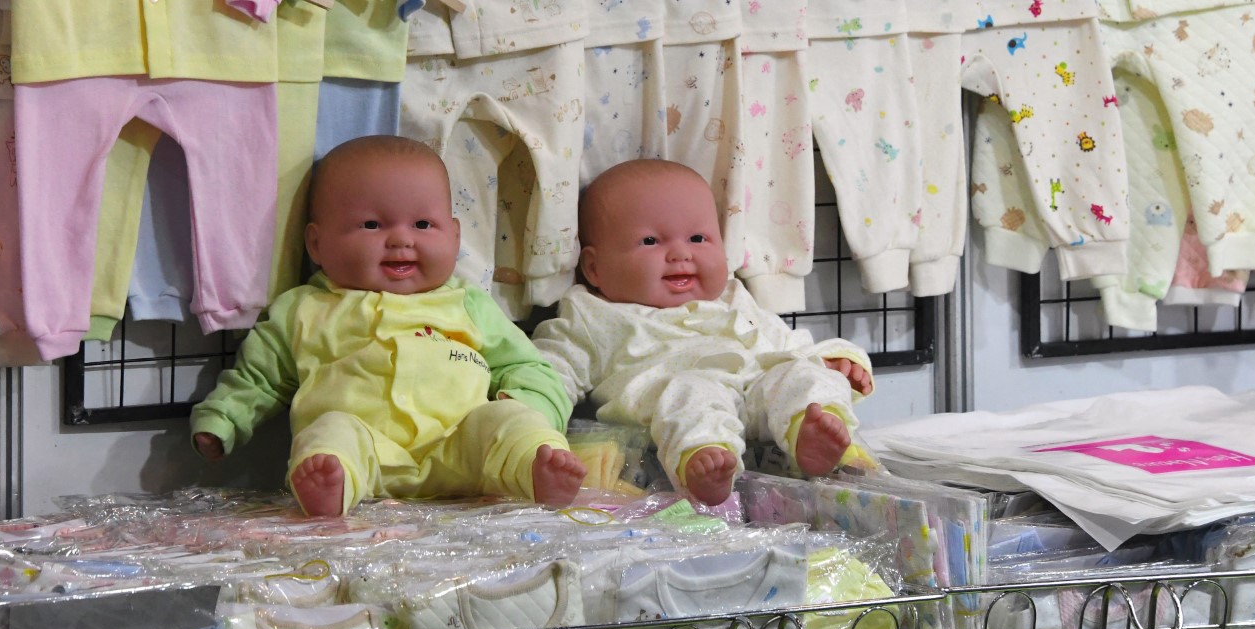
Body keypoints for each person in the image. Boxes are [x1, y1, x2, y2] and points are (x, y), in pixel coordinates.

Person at [191, 136, 585, 516]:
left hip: (462, 448)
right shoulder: (303, 309)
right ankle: (333, 483)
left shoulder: (468, 304)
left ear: (455, 236)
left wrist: (530, 410)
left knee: (507, 423)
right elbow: (258, 378)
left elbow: (527, 367)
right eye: (371, 225)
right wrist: (222, 419)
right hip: (368, 452)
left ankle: (536, 466)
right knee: (330, 431)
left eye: (422, 224)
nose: (400, 239)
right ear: (316, 243)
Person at [535, 159, 874, 505]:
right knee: (690, 391)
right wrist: (527, 408)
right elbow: (550, 369)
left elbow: (787, 343)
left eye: (698, 238)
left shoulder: (733, 296)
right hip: (676, 413)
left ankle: (813, 430)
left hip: (758, 394)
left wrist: (835, 360)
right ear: (594, 268)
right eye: (650, 241)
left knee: (801, 374)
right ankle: (702, 461)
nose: (681, 254)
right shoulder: (593, 314)